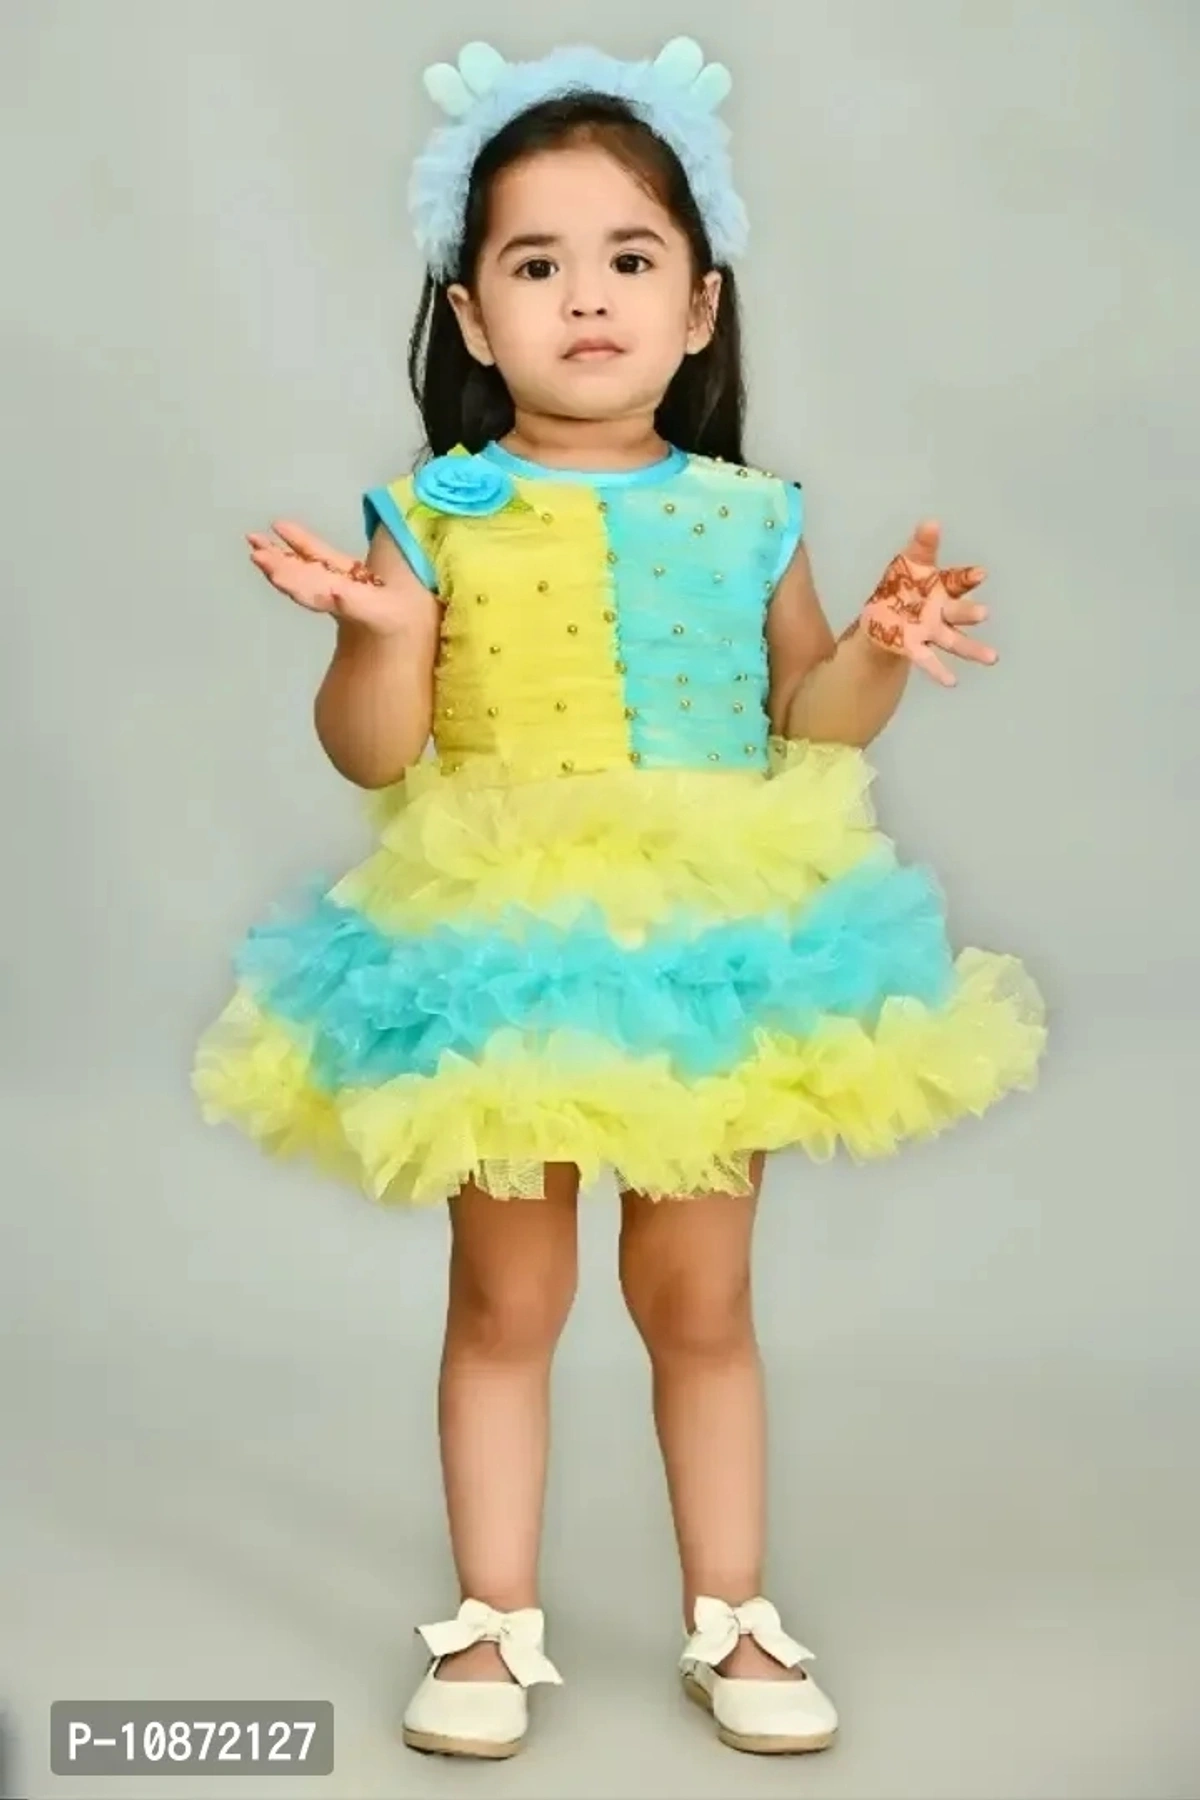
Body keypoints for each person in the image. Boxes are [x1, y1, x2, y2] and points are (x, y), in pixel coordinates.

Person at [193, 37, 1046, 1761]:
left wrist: (878, 649)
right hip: (498, 944)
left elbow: (807, 721)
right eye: (536, 264)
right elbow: (375, 754)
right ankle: (491, 1623)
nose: (587, 296)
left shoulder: (749, 516)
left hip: (709, 949)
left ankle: (730, 1613)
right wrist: (381, 635)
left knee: (699, 1301)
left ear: (700, 304)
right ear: (471, 317)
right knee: (507, 1302)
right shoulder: (429, 518)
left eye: (630, 257)